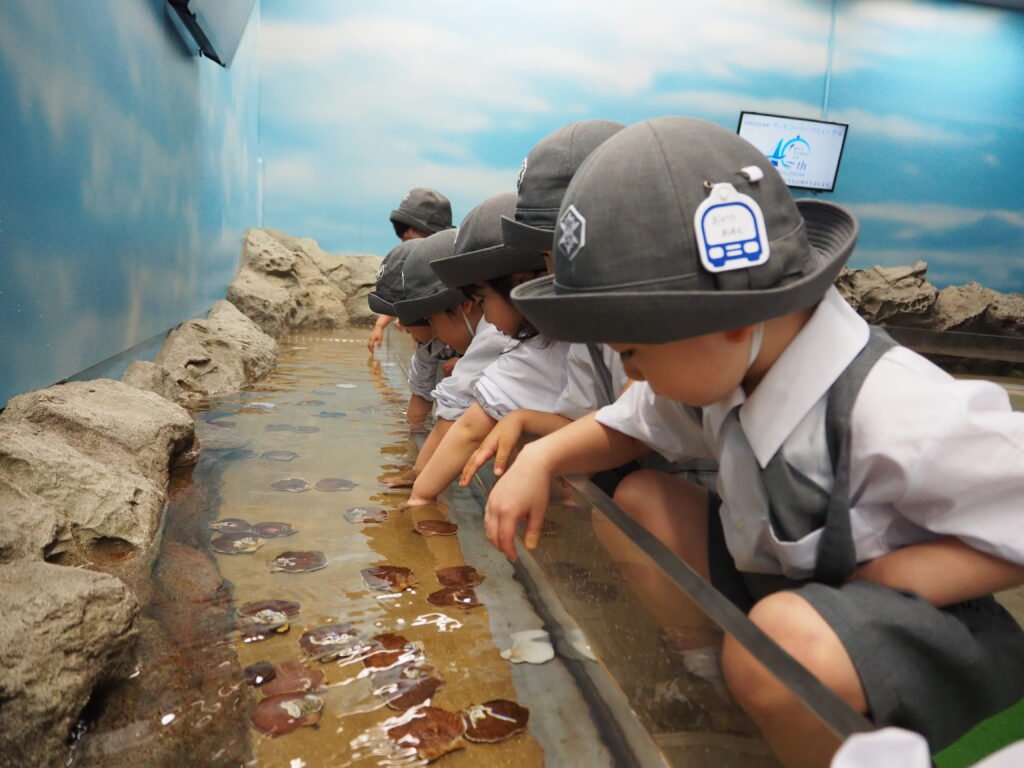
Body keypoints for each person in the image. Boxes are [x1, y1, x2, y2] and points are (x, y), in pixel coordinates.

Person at [486, 116, 1024, 768]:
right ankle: (712, 677)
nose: (630, 373)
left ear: (731, 322)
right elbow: (625, 426)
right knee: (641, 500)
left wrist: (901, 577)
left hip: (928, 642)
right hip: (789, 595)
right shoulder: (728, 370)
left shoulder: (890, 405)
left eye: (632, 352)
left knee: (779, 650)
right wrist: (541, 457)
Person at [447, 120, 628, 487]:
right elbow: (599, 420)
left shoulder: (634, 322)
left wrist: (543, 456)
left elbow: (637, 417)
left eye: (553, 254)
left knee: (638, 495)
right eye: (545, 257)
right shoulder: (582, 336)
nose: (550, 275)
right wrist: (522, 420)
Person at [404, 192, 570, 506]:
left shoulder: (529, 344)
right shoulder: (541, 338)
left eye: (484, 302)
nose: (488, 319)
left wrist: (420, 496)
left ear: (520, 283)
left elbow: (470, 428)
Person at [383, 228, 508, 486]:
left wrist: (421, 487)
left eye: (429, 319)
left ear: (465, 306)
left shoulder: (492, 333)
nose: (403, 327)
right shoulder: (474, 330)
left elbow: (456, 419)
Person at [366, 239, 455, 430]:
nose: (404, 326)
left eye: (408, 318)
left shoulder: (490, 341)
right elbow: (419, 402)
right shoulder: (428, 348)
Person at [368, 188, 455, 353]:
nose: (407, 234)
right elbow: (399, 293)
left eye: (413, 228)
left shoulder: (447, 268)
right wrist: (380, 325)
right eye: (403, 230)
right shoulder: (413, 264)